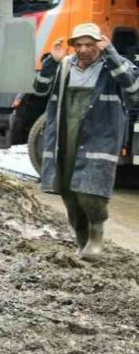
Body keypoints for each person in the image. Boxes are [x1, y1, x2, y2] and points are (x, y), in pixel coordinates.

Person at [33, 23, 139, 259]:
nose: (83, 50)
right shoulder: (65, 66)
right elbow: (39, 90)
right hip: (66, 135)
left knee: (90, 193)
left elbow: (134, 92)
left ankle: (96, 237)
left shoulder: (113, 65)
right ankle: (82, 243)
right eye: (78, 45)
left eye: (89, 45)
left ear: (100, 45)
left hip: (99, 137)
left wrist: (112, 54)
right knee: (69, 194)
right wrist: (52, 61)